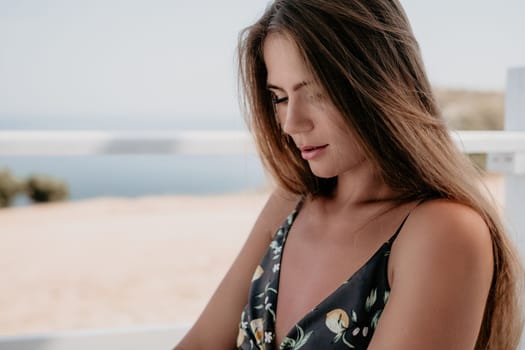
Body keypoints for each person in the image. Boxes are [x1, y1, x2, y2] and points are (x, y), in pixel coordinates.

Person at [175, 0, 524, 349]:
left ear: (378, 82)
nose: (291, 123)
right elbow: (201, 343)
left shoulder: (443, 232)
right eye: (280, 98)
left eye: (316, 92)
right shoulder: (290, 203)